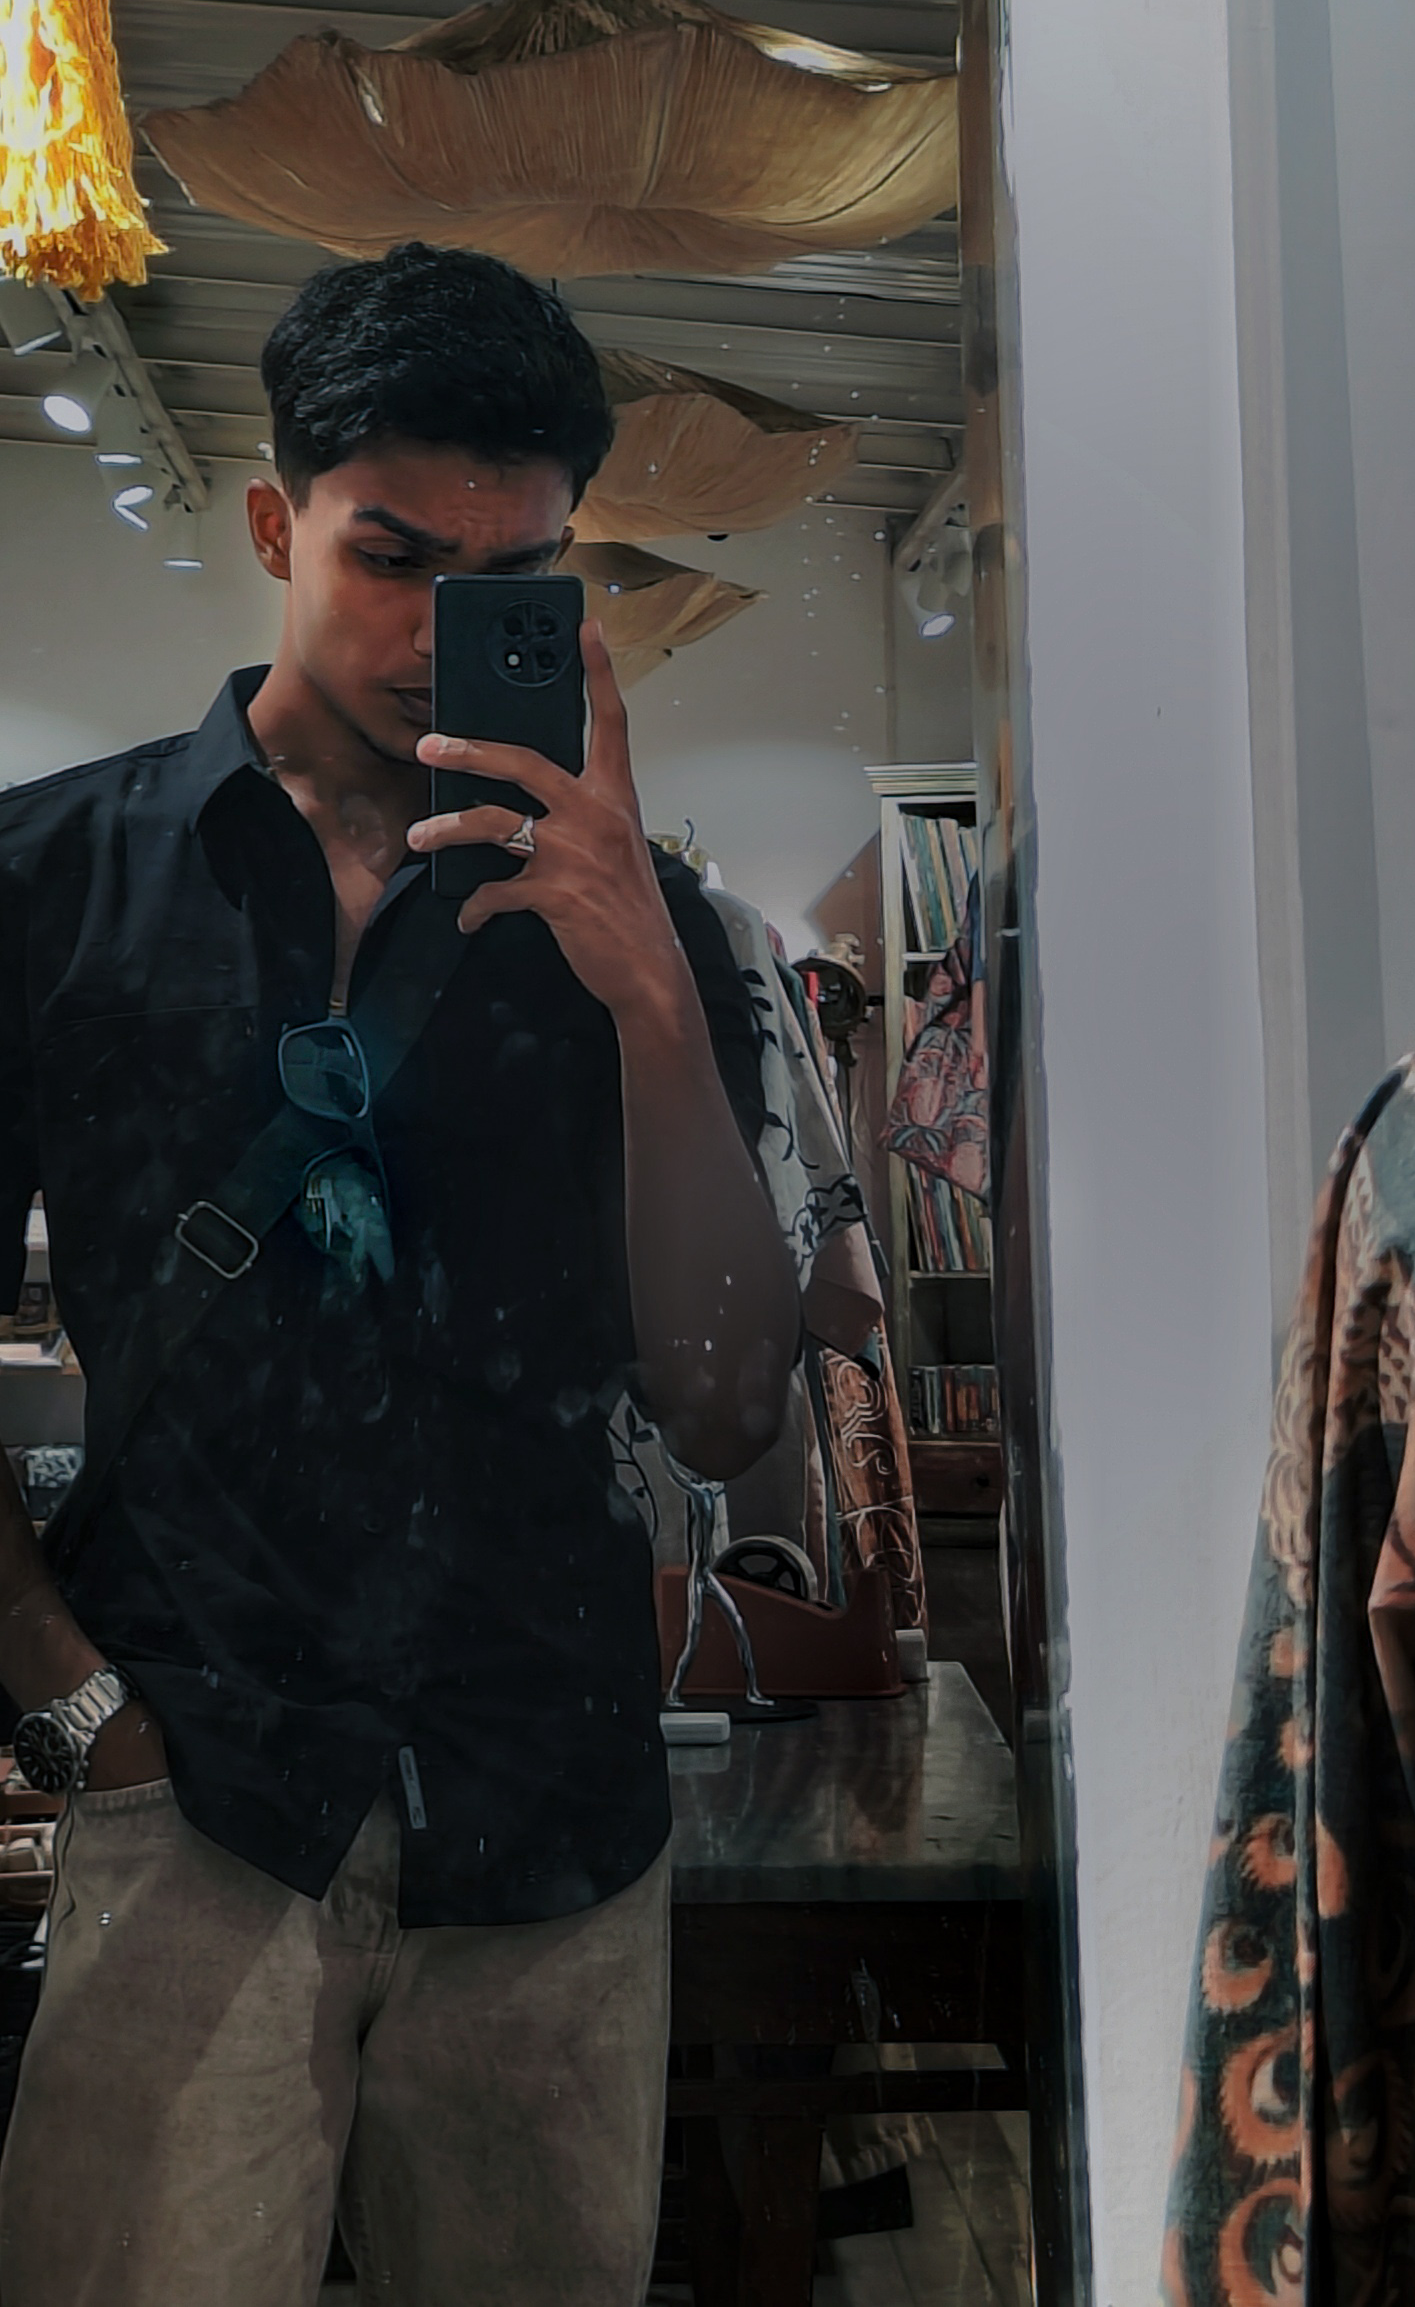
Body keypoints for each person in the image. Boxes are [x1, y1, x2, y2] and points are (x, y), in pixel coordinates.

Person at [0, 242, 799, 2307]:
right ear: (275, 525)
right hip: (193, 1788)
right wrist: (70, 1704)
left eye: (508, 577)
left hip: (550, 1814)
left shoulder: (653, 932)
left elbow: (727, 1405)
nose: (446, 634)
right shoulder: (50, 886)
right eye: (390, 558)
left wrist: (647, 993)